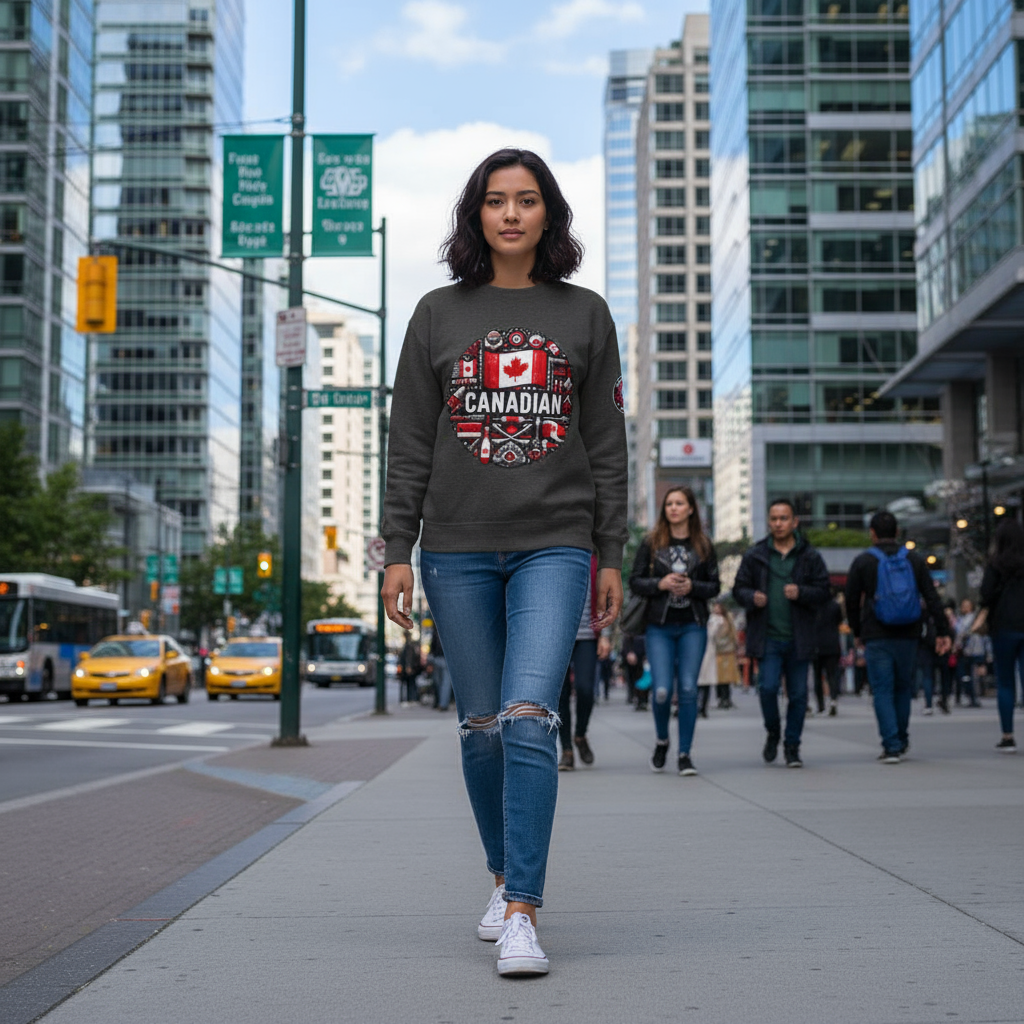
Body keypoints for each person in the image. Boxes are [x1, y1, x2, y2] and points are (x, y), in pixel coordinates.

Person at [380, 148, 627, 978]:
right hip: (455, 548)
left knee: (528, 717)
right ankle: (499, 875)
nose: (511, 214)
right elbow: (410, 442)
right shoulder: (436, 314)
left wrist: (612, 551)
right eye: (496, 200)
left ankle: (523, 909)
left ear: (549, 212)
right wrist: (397, 548)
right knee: (481, 727)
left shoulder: (585, 314)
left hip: (556, 541)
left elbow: (608, 445)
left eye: (526, 200)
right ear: (476, 214)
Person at [844, 511, 951, 763]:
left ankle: (891, 745)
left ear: (872, 533)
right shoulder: (914, 559)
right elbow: (932, 597)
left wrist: (857, 631)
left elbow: (851, 600)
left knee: (882, 690)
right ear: (897, 532)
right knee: (903, 687)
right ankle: (901, 739)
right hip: (909, 633)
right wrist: (943, 630)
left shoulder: (864, 561)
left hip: (876, 634)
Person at [628, 486, 720, 776]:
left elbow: (715, 586)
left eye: (679, 503)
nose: (674, 508)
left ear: (691, 508)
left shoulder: (703, 544)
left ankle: (685, 754)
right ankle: (662, 740)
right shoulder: (651, 542)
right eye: (669, 503)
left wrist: (693, 586)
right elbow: (635, 581)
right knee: (662, 691)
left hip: (693, 625)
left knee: (689, 689)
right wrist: (660, 584)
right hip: (659, 627)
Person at [733, 499, 830, 768]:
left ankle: (792, 745)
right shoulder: (755, 555)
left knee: (798, 695)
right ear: (768, 522)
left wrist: (802, 592)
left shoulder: (809, 556)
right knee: (767, 688)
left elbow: (824, 591)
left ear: (794, 522)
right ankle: (773, 731)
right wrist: (752, 596)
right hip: (767, 638)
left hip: (800, 637)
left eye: (784, 518)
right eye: (774, 519)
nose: (778, 524)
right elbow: (738, 589)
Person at [979, 518, 1024, 752]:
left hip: (1003, 626)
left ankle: (1008, 736)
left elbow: (985, 594)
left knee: (1005, 682)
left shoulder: (995, 564)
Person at [557, 554, 603, 770]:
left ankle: (580, 735)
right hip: (557, 637)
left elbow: (605, 597)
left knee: (585, 689)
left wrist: (606, 635)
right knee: (560, 694)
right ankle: (566, 750)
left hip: (588, 636)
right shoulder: (553, 556)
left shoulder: (594, 560)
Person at [813, 591, 844, 716]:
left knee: (817, 676)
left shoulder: (814, 605)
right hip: (832, 644)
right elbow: (839, 621)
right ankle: (833, 700)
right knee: (832, 675)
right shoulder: (835, 606)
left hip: (816, 644)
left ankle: (820, 705)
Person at [953, 599, 984, 708]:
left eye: (967, 605)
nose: (965, 608)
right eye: (963, 606)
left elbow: (964, 632)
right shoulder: (960, 619)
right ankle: (969, 695)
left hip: (974, 650)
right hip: (963, 651)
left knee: (972, 675)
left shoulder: (974, 618)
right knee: (965, 675)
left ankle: (974, 697)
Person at [713, 602, 740, 707]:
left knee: (726, 677)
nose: (716, 610)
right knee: (718, 677)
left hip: (727, 651)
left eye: (718, 608)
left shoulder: (727, 620)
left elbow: (733, 633)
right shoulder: (713, 620)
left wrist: (735, 645)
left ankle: (726, 698)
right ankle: (721, 698)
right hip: (717, 651)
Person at [620, 632, 647, 709]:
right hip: (633, 652)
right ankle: (636, 697)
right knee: (633, 677)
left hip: (644, 652)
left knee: (644, 677)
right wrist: (628, 652)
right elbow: (627, 635)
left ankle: (642, 699)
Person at [429, 627, 452, 711]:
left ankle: (441, 703)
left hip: (439, 658)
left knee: (441, 683)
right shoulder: (449, 632)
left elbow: (432, 646)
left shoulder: (436, 631)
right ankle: (442, 703)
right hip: (443, 659)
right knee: (444, 683)